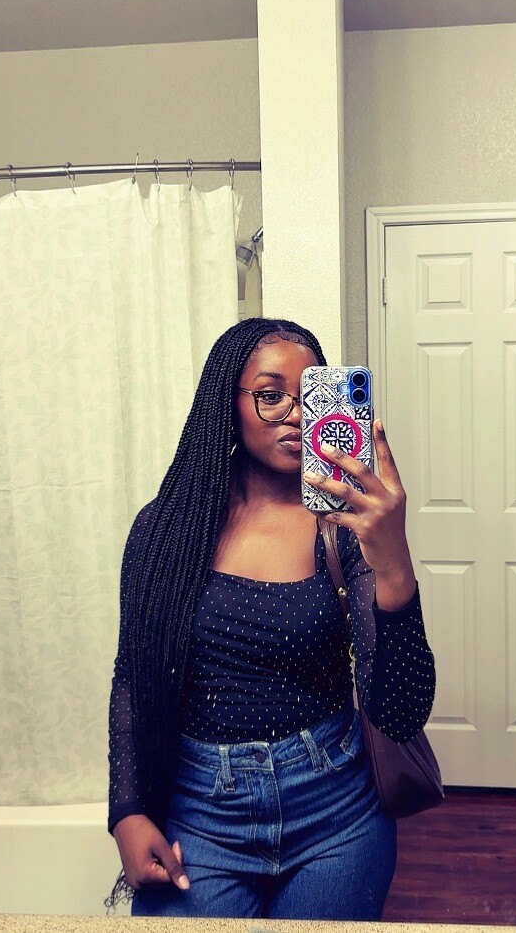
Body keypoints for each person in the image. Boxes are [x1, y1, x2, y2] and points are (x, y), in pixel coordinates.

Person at [105, 317, 435, 920]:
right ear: (226, 402)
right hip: (197, 814)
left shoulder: (345, 528)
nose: (295, 414)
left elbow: (400, 711)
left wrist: (393, 559)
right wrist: (126, 811)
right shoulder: (165, 528)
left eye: (312, 396)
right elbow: (132, 674)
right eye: (270, 394)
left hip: (337, 812)